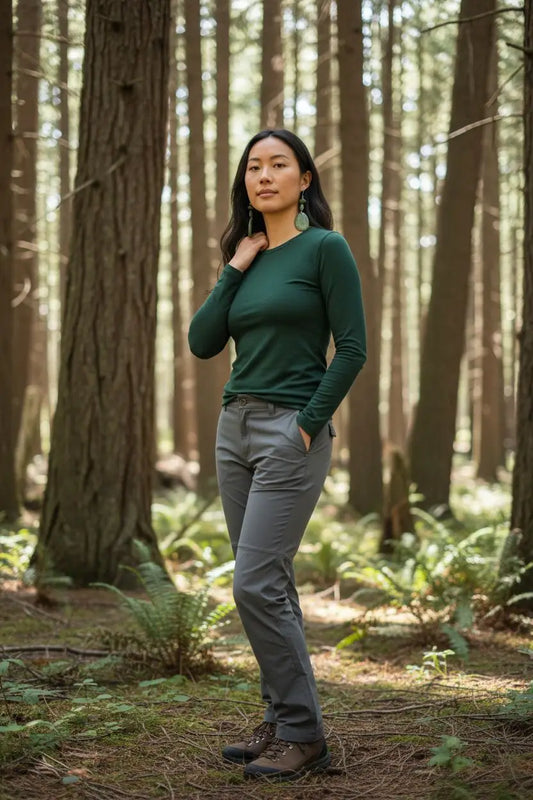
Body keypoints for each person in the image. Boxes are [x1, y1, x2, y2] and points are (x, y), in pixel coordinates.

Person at [188, 129, 366, 780]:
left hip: (289, 430)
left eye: (278, 165)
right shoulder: (246, 256)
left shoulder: (325, 248)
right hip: (233, 430)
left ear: (303, 180)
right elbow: (202, 341)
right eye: (252, 167)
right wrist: (234, 266)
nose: (263, 175)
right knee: (268, 585)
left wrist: (308, 424)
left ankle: (303, 733)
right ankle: (281, 722)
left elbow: (351, 348)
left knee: (253, 583)